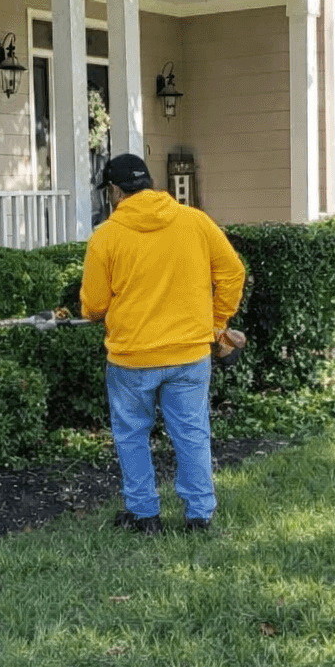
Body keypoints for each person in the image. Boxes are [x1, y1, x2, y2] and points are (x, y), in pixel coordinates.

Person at [80, 153, 246, 535]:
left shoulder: (106, 237)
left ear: (114, 191)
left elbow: (93, 307)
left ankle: (144, 515)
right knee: (192, 433)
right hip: (190, 353)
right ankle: (199, 516)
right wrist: (217, 323)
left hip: (132, 358)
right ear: (151, 184)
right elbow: (233, 272)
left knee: (132, 434)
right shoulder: (195, 222)